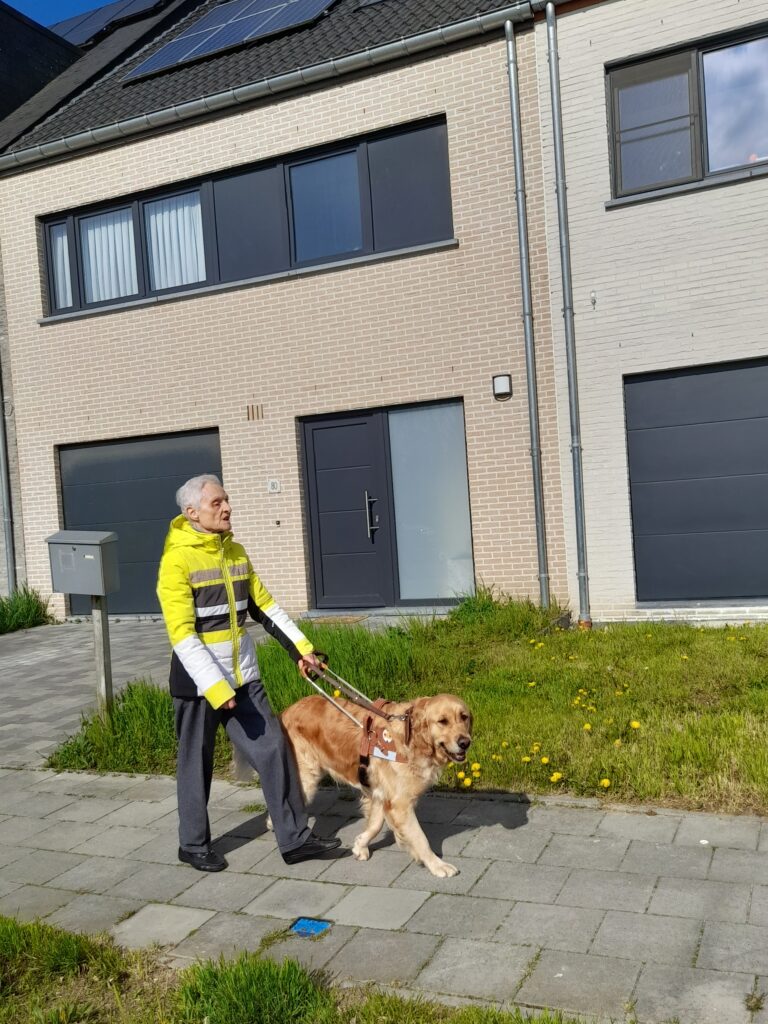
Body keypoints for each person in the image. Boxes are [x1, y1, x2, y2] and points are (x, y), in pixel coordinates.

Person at [156, 473, 341, 872]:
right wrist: (215, 687)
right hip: (198, 685)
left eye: (226, 500)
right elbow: (182, 636)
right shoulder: (177, 561)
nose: (227, 508)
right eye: (217, 503)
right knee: (195, 763)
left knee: (273, 748)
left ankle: (294, 839)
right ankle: (192, 844)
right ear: (192, 513)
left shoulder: (236, 553)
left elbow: (265, 608)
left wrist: (302, 651)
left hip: (243, 677)